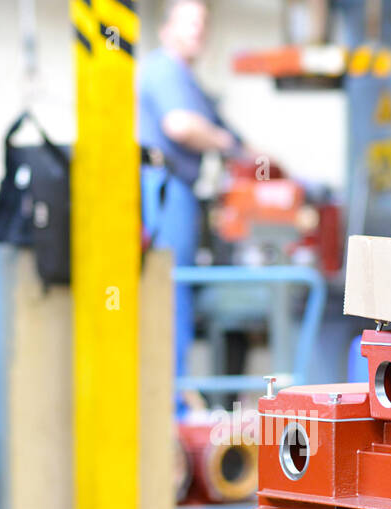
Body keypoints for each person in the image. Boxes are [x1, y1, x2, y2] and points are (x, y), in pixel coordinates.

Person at [138, 0, 243, 412]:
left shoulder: (189, 81)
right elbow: (180, 126)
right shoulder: (164, 69)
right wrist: (225, 144)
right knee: (171, 290)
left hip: (176, 191)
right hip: (164, 190)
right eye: (188, 22)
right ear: (166, 29)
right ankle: (172, 405)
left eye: (203, 23)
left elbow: (229, 131)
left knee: (175, 290)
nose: (197, 30)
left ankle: (176, 398)